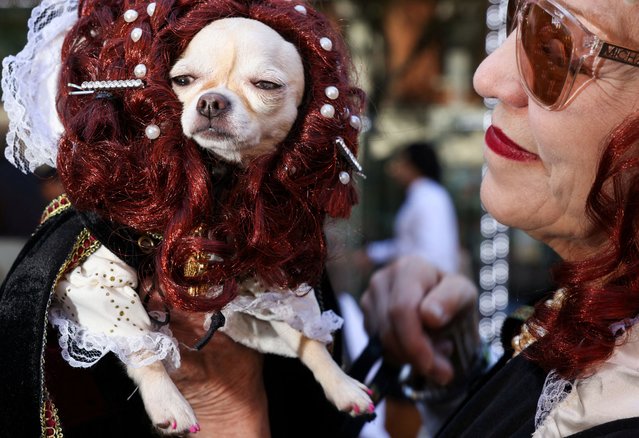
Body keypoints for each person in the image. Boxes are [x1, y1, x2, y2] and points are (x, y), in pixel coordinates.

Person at [0, 0, 369, 436]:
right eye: (185, 80)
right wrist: (153, 374)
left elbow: (280, 290)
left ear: (309, 107)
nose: (213, 100)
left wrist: (324, 369)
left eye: (264, 85)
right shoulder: (120, 207)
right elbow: (94, 282)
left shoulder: (275, 209)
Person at [362, 0, 639, 436]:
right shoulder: (600, 313)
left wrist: (232, 406)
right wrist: (460, 374)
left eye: (554, 43)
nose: (487, 77)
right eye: (519, 15)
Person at [365, 142, 460, 273]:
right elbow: (406, 244)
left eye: (400, 162)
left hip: (427, 285)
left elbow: (433, 252)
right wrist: (373, 253)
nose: (394, 170)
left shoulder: (430, 197)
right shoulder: (423, 194)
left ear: (413, 165)